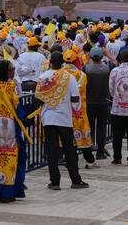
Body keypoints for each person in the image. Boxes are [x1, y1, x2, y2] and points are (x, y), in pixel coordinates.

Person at [34, 51, 88, 189]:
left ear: (50, 62)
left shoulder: (43, 77)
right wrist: (68, 104)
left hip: (48, 118)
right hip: (64, 118)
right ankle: (75, 180)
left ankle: (54, 181)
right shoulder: (68, 77)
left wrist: (49, 102)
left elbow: (38, 98)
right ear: (62, 62)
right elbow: (76, 98)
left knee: (52, 150)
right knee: (69, 149)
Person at [0, 60, 29, 203]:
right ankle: (8, 193)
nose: (13, 71)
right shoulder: (11, 87)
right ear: (5, 72)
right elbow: (18, 108)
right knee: (12, 161)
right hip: (11, 131)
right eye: (11, 69)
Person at [84, 46, 112, 160]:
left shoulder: (86, 68)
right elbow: (115, 63)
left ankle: (88, 151)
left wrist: (86, 59)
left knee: (89, 127)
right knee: (101, 127)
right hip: (103, 101)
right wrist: (108, 55)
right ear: (101, 56)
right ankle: (100, 152)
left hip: (90, 101)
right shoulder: (107, 69)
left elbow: (83, 68)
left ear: (91, 56)